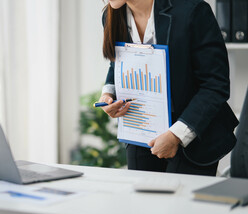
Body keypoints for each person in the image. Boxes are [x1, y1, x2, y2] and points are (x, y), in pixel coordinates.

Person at [99, 0, 239, 176]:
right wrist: (108, 93)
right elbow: (118, 62)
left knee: (180, 202)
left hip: (194, 131)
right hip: (143, 130)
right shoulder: (111, 15)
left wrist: (176, 135)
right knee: (143, 201)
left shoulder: (192, 11)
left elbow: (215, 84)